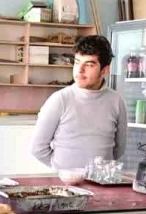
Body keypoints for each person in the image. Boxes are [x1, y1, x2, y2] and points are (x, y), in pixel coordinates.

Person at [30, 34, 127, 170]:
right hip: (65, 185)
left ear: (104, 71)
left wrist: (99, 171)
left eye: (89, 65)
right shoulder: (60, 99)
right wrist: (62, 170)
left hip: (102, 183)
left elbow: (119, 149)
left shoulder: (116, 101)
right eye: (77, 62)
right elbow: (37, 148)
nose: (80, 70)